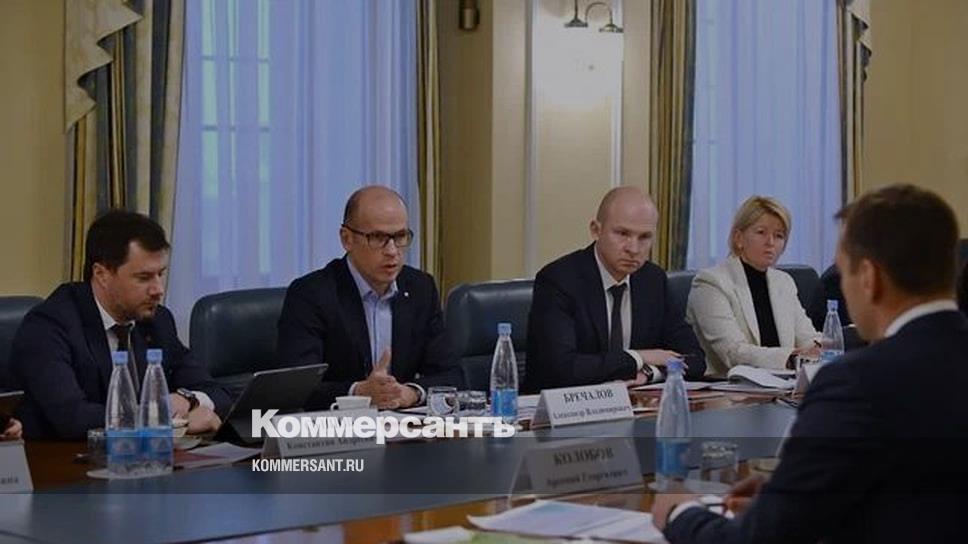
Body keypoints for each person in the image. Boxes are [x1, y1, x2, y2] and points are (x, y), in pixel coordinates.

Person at [653, 184, 968, 543]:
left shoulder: (854, 384)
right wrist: (794, 493)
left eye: (844, 273)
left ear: (869, 278)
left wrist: (679, 513)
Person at [10, 211, 232, 440]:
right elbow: (74, 418)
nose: (158, 289)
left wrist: (188, 399)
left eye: (160, 274)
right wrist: (166, 420)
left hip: (146, 456)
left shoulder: (158, 321)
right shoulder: (49, 326)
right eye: (144, 278)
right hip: (68, 458)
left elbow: (219, 394)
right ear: (102, 274)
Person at [276, 186, 463, 410]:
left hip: (402, 425)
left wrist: (412, 392)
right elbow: (296, 390)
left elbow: (452, 375)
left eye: (400, 236)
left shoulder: (420, 288)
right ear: (347, 239)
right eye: (378, 237)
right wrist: (358, 393)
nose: (392, 251)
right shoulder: (311, 294)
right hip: (339, 427)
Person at [524, 186, 706, 392]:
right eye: (622, 233)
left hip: (636, 404)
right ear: (596, 230)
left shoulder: (653, 280)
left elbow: (695, 360)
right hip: (565, 406)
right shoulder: (559, 280)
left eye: (644, 237)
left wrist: (649, 373)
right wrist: (639, 357)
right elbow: (562, 369)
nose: (633, 249)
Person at [686, 196, 820, 376]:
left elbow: (807, 337)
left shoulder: (784, 282)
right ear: (738, 238)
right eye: (761, 232)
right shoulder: (711, 283)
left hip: (783, 384)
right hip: (727, 386)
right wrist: (791, 358)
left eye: (779, 236)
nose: (770, 242)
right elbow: (733, 352)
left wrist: (821, 348)